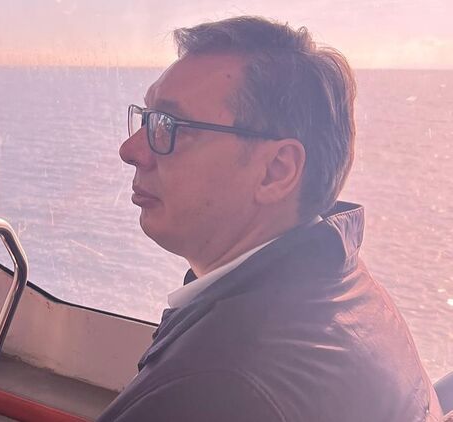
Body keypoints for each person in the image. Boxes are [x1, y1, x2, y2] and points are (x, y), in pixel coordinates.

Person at [98, 16, 443, 421]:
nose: (130, 150)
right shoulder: (343, 286)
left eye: (170, 126)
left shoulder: (219, 388)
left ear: (276, 171)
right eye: (148, 118)